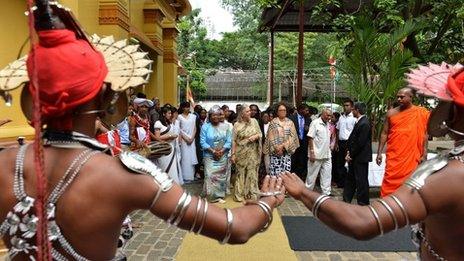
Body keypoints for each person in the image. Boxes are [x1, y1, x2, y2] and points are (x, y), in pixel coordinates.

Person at [0, 3, 285, 259]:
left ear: (31, 96)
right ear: (106, 99)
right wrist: (266, 203)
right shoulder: (123, 175)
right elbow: (234, 228)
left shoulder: (5, 162)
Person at [281, 65, 464, 260]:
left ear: (454, 114)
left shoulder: (449, 176)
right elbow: (386, 132)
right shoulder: (448, 172)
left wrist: (303, 192)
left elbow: (363, 223)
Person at [376, 87, 430, 197]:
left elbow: (425, 134)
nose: (399, 99)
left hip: (411, 155)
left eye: (402, 97)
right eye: (398, 97)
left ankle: (408, 205)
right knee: (390, 178)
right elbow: (384, 133)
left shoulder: (421, 112)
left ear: (411, 97)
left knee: (410, 182)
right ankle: (388, 204)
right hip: (394, 155)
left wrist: (424, 153)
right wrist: (379, 152)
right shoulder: (391, 113)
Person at [200, 106, 232, 203]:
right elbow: (202, 142)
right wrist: (213, 151)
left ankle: (219, 196)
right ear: (209, 116)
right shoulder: (205, 127)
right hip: (209, 155)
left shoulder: (226, 127)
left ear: (220, 116)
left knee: (221, 176)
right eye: (213, 115)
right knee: (209, 175)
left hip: (222, 155)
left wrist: (221, 151)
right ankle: (210, 196)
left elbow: (229, 141)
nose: (215, 117)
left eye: (217, 115)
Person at [231, 105, 262, 202]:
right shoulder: (237, 125)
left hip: (253, 152)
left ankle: (251, 193)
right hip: (241, 152)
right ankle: (239, 194)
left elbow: (260, 133)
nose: (250, 113)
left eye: (250, 111)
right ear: (242, 114)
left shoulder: (254, 121)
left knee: (252, 172)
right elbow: (234, 141)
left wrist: (256, 137)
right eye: (247, 111)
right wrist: (233, 154)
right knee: (240, 173)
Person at [343, 102, 372, 205]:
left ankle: (363, 202)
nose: (352, 111)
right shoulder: (359, 122)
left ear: (357, 110)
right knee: (350, 179)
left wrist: (351, 154)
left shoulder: (364, 123)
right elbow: (352, 139)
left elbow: (360, 142)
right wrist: (348, 151)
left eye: (353, 109)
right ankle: (346, 200)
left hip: (360, 157)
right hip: (354, 156)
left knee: (361, 181)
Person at [263, 103, 299, 176]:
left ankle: (283, 187)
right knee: (274, 174)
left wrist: (283, 147)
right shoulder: (273, 122)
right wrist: (277, 148)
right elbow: (270, 137)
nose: (283, 112)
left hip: (286, 152)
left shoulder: (290, 122)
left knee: (285, 174)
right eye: (280, 110)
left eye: (284, 110)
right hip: (275, 152)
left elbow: (292, 136)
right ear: (277, 112)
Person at [306, 109, 333, 196]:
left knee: (327, 175)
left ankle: (326, 193)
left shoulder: (328, 124)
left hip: (327, 154)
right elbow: (310, 137)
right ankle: (307, 193)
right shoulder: (315, 123)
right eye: (327, 115)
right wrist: (312, 152)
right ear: (322, 114)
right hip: (316, 154)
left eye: (330, 116)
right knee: (311, 176)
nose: (329, 118)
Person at [334, 98, 356, 188]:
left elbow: (355, 132)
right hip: (341, 142)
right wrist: (336, 143)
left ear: (351, 107)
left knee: (349, 163)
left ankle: (349, 183)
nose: (345, 107)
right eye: (344, 105)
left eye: (347, 105)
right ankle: (341, 183)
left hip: (349, 143)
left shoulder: (354, 118)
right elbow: (337, 130)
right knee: (340, 163)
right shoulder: (341, 117)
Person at [289, 103, 311, 180]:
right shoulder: (291, 118)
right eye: (306, 110)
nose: (307, 112)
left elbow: (311, 132)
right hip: (294, 143)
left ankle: (300, 177)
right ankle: (291, 177)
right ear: (301, 110)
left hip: (304, 143)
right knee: (293, 159)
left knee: (302, 160)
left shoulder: (308, 119)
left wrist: (308, 129)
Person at [178, 101, 198, 183]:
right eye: (185, 107)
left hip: (192, 139)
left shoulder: (193, 116)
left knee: (191, 156)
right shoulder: (179, 117)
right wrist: (186, 138)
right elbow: (179, 129)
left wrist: (192, 137)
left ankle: (191, 175)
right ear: (182, 108)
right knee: (185, 157)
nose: (187, 108)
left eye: (188, 106)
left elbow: (195, 128)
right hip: (183, 140)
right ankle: (185, 176)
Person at [195, 108, 207, 179]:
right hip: (199, 141)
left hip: (207, 142)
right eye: (202, 113)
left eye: (205, 113)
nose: (204, 114)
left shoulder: (208, 122)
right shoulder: (197, 122)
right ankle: (198, 172)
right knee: (199, 157)